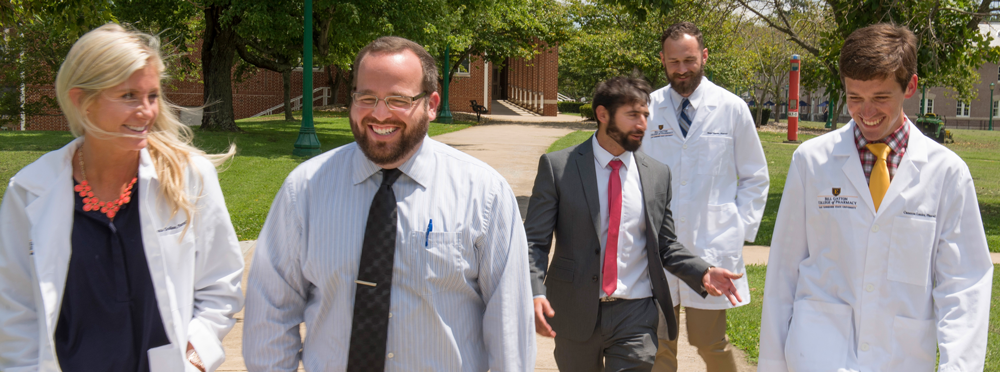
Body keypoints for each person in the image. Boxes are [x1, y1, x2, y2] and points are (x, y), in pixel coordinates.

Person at [242, 36, 535, 372]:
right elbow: (270, 312)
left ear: (432, 103)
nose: (379, 114)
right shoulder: (304, 190)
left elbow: (508, 322)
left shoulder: (484, 193)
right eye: (366, 97)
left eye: (398, 99)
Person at [0, 24, 244, 372]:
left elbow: (220, 286)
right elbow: (14, 313)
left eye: (152, 96)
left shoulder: (187, 177)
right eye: (129, 95)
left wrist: (195, 357)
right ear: (81, 100)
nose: (146, 111)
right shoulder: (28, 193)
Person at [758, 23, 993, 371]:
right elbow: (783, 274)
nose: (866, 113)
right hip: (818, 352)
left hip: (901, 356)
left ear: (909, 86)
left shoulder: (946, 173)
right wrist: (772, 365)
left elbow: (963, 283)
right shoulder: (811, 161)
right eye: (854, 98)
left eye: (880, 97)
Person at [525, 75, 745, 372]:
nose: (642, 124)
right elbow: (535, 242)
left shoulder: (656, 174)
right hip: (575, 309)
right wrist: (535, 291)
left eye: (645, 115)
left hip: (636, 313)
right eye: (632, 115)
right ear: (602, 114)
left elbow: (665, 244)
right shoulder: (558, 168)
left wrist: (702, 271)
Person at [640, 22, 769, 372]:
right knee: (659, 346)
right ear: (663, 61)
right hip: (659, 248)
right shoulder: (648, 109)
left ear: (704, 56)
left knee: (710, 343)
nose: (682, 69)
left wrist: (736, 230)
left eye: (689, 60)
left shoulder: (731, 107)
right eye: (673, 61)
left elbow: (755, 177)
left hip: (710, 247)